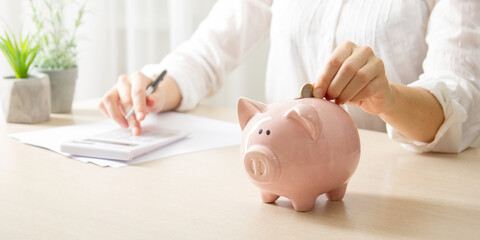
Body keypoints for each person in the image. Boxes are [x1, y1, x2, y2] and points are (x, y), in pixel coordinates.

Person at [99, 0, 480, 153]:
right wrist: (153, 88)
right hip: (280, 182)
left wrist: (391, 100)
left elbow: (460, 97)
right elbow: (209, 50)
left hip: (391, 193)